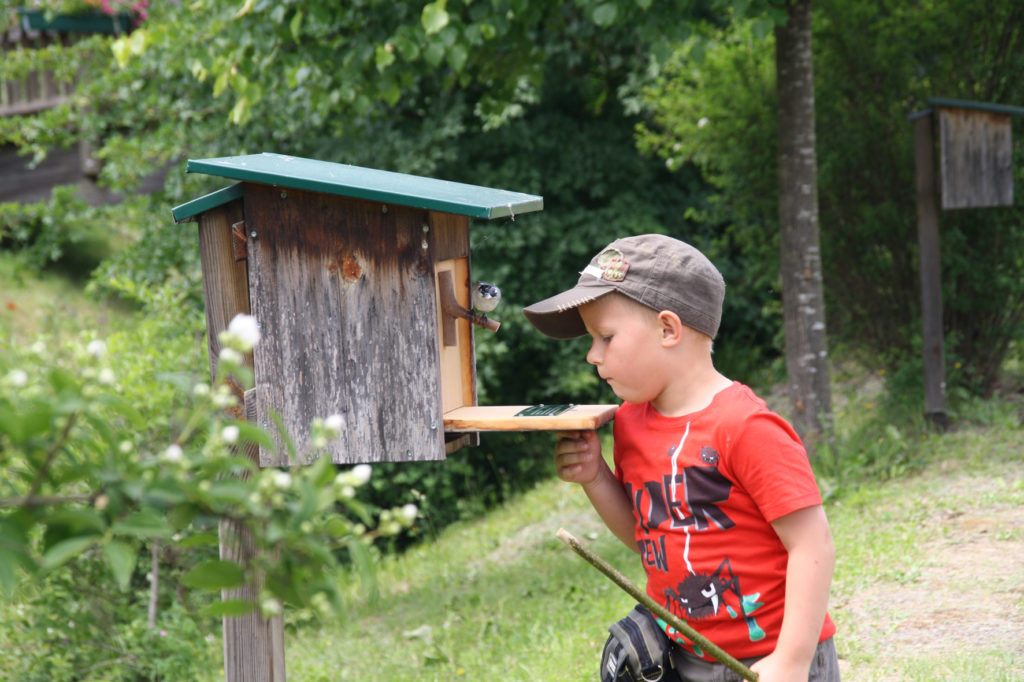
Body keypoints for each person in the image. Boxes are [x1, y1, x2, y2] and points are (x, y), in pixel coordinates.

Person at [522, 234, 839, 682]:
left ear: (669, 329)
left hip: (771, 658)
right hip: (686, 654)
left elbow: (812, 544)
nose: (592, 355)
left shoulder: (746, 427)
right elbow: (647, 537)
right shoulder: (630, 424)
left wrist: (791, 660)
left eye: (605, 337)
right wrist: (596, 478)